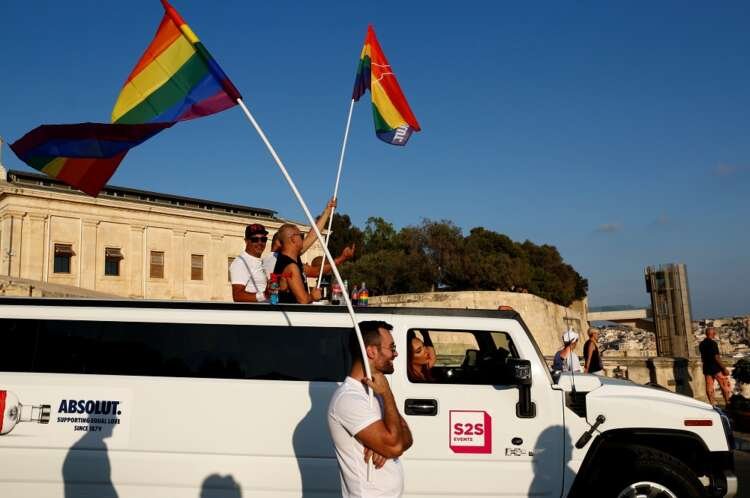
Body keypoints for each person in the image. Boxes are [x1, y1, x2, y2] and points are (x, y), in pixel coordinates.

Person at [328, 321, 413, 498]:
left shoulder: (375, 393)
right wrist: (387, 394)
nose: (395, 353)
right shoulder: (349, 398)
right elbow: (396, 446)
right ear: (371, 351)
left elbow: (407, 439)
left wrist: (383, 442)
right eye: (392, 347)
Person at [262, 198, 345, 277]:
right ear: (281, 242)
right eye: (299, 235)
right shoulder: (274, 261)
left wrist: (327, 211)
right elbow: (311, 237)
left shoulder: (291, 260)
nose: (302, 239)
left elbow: (315, 271)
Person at [273, 224, 322, 304]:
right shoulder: (291, 267)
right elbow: (303, 300)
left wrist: (327, 212)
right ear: (293, 239)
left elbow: (312, 236)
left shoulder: (284, 258)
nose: (303, 239)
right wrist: (313, 296)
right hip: (291, 314)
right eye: (301, 235)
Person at [229, 224, 270, 303]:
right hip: (252, 314)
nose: (260, 243)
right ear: (246, 241)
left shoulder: (259, 261)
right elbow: (237, 296)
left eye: (263, 239)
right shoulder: (241, 263)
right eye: (255, 239)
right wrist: (264, 295)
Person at [699, 327, 731, 406]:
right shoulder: (713, 343)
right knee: (724, 385)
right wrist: (724, 368)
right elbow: (716, 357)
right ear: (712, 334)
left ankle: (712, 404)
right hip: (715, 368)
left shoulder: (701, 344)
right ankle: (728, 402)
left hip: (706, 367)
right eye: (714, 333)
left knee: (709, 386)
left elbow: (703, 357)